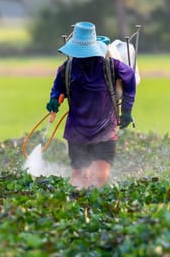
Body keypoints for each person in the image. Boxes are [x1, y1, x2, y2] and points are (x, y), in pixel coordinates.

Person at [46, 21, 136, 189]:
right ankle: (79, 210)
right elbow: (58, 87)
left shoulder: (110, 67)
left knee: (100, 177)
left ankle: (96, 207)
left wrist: (127, 110)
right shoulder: (67, 68)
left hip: (105, 129)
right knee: (78, 178)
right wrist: (54, 99)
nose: (83, 57)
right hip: (76, 131)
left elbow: (130, 78)